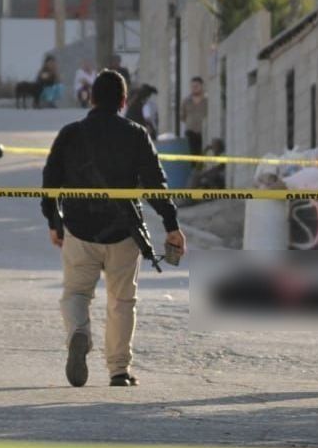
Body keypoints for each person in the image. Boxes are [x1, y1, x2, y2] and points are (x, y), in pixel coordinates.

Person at [41, 70, 186, 388]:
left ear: (91, 98)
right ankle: (119, 370)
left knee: (76, 293)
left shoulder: (70, 134)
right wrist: (171, 225)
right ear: (123, 101)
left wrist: (53, 221)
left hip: (79, 229)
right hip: (123, 232)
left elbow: (50, 180)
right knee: (122, 301)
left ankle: (79, 331)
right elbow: (155, 183)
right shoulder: (136, 134)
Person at [180, 77, 208, 156]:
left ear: (201, 86)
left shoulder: (206, 101)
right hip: (190, 131)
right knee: (191, 153)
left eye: (196, 86)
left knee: (202, 153)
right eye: (192, 86)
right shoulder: (186, 101)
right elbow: (182, 116)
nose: (194, 88)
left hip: (203, 132)